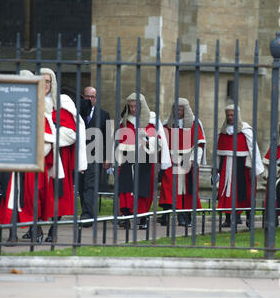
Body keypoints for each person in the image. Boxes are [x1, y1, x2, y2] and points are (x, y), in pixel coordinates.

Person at [0, 70, 46, 244]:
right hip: (12, 156)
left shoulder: (39, 105)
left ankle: (37, 229)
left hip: (31, 156)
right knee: (11, 195)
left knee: (30, 195)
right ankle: (12, 234)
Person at [117, 92, 162, 229]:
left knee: (142, 190)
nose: (133, 110)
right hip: (127, 158)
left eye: (136, 106)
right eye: (130, 107)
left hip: (145, 159)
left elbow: (157, 143)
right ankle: (125, 216)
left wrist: (148, 141)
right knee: (126, 189)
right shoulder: (125, 122)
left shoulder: (150, 121)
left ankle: (142, 218)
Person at [159, 98, 206, 227]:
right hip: (171, 160)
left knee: (186, 190)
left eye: (180, 109)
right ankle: (166, 216)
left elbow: (199, 144)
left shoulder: (194, 124)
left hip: (186, 159)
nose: (177, 111)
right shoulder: (167, 125)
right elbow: (162, 143)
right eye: (175, 109)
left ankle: (185, 217)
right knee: (169, 188)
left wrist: (193, 160)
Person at [46, 92, 87, 239]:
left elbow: (70, 134)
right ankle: (34, 229)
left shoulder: (64, 110)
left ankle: (53, 229)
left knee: (57, 197)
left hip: (59, 160)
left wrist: (49, 136)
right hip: (39, 158)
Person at [216, 104, 264, 228]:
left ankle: (249, 218)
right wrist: (216, 168)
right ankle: (228, 219)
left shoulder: (246, 131)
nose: (230, 117)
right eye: (228, 115)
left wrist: (252, 167)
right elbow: (218, 153)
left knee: (245, 193)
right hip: (226, 167)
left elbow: (253, 150)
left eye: (232, 115)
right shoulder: (222, 132)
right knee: (226, 193)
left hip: (243, 167)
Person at [79, 86, 111, 227]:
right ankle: (86, 211)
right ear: (83, 97)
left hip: (95, 155)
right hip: (79, 155)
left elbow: (108, 138)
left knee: (90, 185)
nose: (90, 99)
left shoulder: (104, 114)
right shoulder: (76, 113)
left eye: (93, 97)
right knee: (81, 185)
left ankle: (87, 215)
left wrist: (108, 157)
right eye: (87, 97)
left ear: (96, 98)